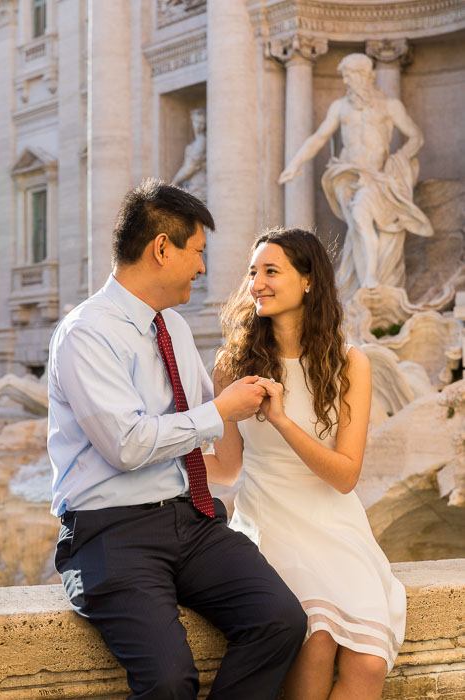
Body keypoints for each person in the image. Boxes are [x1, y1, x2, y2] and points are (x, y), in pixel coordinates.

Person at [48, 180, 307, 700]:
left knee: (281, 620)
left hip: (192, 522)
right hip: (110, 533)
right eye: (198, 252)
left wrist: (248, 393)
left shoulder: (175, 328)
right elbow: (128, 445)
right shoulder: (86, 334)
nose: (204, 268)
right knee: (169, 679)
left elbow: (211, 437)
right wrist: (220, 409)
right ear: (161, 249)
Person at [207, 227, 406, 699]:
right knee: (315, 642)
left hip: (335, 526)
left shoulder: (350, 363)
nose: (256, 283)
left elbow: (345, 475)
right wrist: (162, 450)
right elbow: (229, 466)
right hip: (268, 521)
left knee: (369, 663)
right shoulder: (231, 365)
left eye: (271, 271)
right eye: (253, 272)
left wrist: (280, 420)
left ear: (309, 280)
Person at [278, 53, 433, 300]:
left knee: (362, 222)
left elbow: (416, 136)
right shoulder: (340, 107)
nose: (347, 80)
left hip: (376, 176)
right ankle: (369, 277)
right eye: (345, 76)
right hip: (346, 175)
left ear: (363, 74)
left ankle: (366, 280)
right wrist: (295, 164)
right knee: (360, 218)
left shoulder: (389, 105)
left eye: (350, 75)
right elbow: (319, 137)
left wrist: (400, 157)